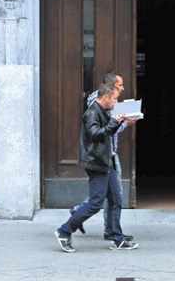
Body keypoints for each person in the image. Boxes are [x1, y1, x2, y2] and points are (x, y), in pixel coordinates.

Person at [55, 83, 138, 252]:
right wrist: (114, 122)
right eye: (114, 98)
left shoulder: (103, 110)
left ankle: (117, 238)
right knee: (95, 202)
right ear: (106, 97)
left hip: (108, 161)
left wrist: (117, 122)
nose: (116, 102)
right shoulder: (92, 112)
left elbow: (106, 131)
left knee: (115, 200)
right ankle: (64, 231)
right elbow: (95, 134)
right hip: (97, 163)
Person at [70, 71, 136, 240]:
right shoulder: (98, 106)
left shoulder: (105, 103)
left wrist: (123, 123)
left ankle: (112, 232)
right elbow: (101, 132)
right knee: (106, 197)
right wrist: (121, 123)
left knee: (112, 196)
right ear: (109, 89)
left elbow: (109, 131)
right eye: (120, 85)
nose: (122, 89)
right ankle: (76, 221)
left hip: (109, 154)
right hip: (102, 157)